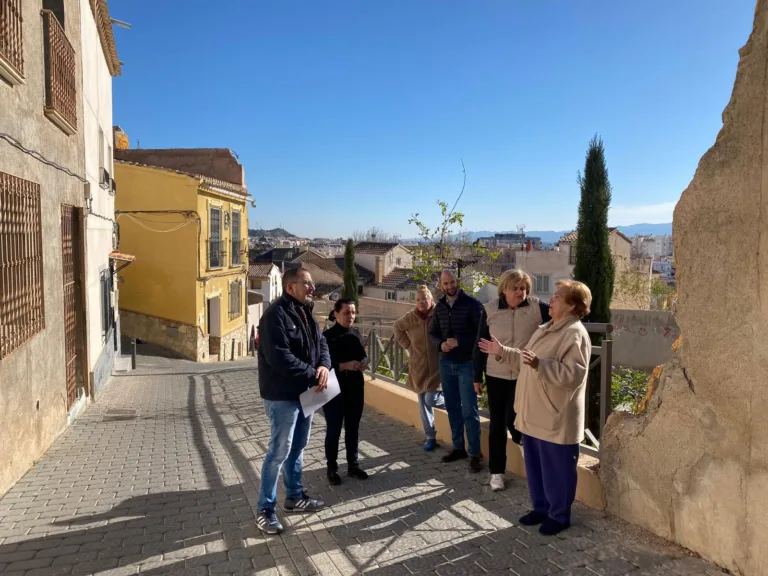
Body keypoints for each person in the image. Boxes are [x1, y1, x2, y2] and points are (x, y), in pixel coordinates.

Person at [479, 280, 592, 536]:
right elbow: (526, 360)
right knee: (536, 468)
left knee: (557, 471)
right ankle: (541, 508)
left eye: (558, 296)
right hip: (532, 415)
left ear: (572, 305)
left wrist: (541, 364)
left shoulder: (574, 333)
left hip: (554, 416)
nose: (550, 300)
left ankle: (559, 515)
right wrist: (503, 351)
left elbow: (574, 375)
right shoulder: (546, 328)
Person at [256, 267, 331, 535]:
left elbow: (322, 344)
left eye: (312, 283)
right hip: (283, 396)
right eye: (307, 283)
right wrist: (314, 374)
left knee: (298, 446)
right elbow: (281, 358)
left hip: (307, 393)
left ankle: (295, 497)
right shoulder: (274, 316)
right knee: (278, 452)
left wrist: (323, 366)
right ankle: (265, 510)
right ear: (291, 288)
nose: (312, 287)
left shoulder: (307, 312)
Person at [473, 269, 550, 492]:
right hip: (496, 373)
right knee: (497, 423)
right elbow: (479, 344)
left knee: (514, 417)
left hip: (524, 373)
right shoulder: (489, 310)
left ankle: (522, 441)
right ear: (504, 289)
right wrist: (476, 376)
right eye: (515, 288)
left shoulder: (538, 308)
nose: (520, 292)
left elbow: (558, 325)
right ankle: (496, 473)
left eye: (523, 288)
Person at [429, 269, 485, 472]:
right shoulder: (440, 306)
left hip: (466, 364)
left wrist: (459, 341)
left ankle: (475, 453)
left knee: (469, 410)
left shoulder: (472, 305)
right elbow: (433, 333)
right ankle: (458, 448)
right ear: (440, 286)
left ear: (457, 282)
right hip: (446, 363)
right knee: (452, 408)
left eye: (452, 282)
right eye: (445, 284)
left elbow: (481, 334)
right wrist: (440, 344)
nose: (450, 286)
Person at [322, 298, 370, 485]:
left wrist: (365, 361)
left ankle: (353, 465)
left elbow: (361, 354)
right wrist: (344, 366)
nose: (350, 316)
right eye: (346, 312)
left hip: (355, 387)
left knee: (353, 428)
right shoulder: (326, 337)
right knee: (334, 429)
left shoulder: (356, 333)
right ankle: (332, 468)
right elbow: (322, 365)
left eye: (353, 312)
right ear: (336, 314)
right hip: (334, 388)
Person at [393, 285, 444, 452]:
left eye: (424, 299)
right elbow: (397, 328)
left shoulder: (439, 313)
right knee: (423, 403)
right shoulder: (411, 317)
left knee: (431, 399)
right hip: (418, 366)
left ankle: (454, 401)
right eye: (418, 300)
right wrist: (408, 347)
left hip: (437, 366)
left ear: (431, 300)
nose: (421, 302)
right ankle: (430, 436)